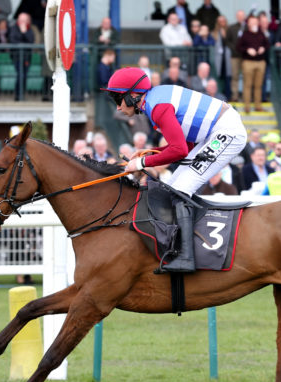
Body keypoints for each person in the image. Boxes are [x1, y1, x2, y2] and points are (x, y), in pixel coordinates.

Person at [105, 67, 247, 272]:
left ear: (134, 95)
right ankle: (176, 249)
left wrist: (141, 164)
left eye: (117, 99)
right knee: (171, 187)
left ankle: (187, 257)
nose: (117, 107)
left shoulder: (157, 106)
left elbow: (179, 150)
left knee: (180, 187)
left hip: (226, 131)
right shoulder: (154, 101)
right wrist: (151, 153)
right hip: (212, 132)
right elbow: (185, 145)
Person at [237, 14, 269, 113]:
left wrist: (263, 48)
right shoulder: (245, 34)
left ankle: (257, 106)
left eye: (256, 22)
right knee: (247, 85)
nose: (254, 23)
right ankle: (247, 107)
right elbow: (238, 47)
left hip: (260, 62)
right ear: (249, 24)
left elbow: (267, 44)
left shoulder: (261, 34)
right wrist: (247, 50)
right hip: (248, 62)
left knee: (258, 85)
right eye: (252, 22)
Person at [9, 13, 35, 100]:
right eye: (20, 20)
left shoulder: (30, 29)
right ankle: (18, 95)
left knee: (24, 76)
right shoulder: (13, 28)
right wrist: (23, 34)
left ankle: (21, 94)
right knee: (20, 75)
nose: (22, 22)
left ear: (28, 21)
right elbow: (13, 41)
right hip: (17, 57)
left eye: (24, 20)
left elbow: (31, 41)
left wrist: (24, 32)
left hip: (27, 57)